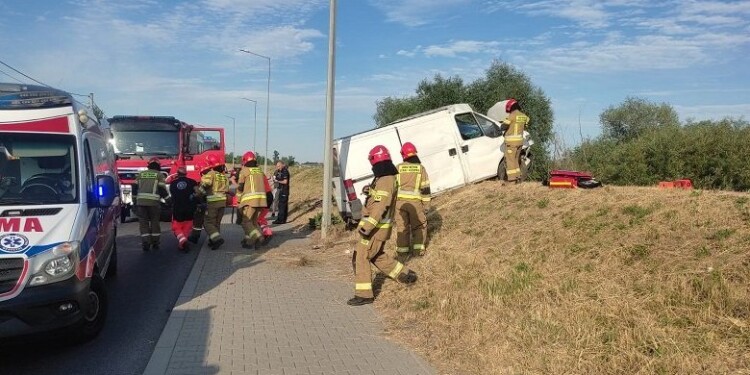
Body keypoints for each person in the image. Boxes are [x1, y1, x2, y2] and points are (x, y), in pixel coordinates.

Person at [348, 145, 417, 306]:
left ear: (375, 161)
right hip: (377, 228)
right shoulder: (385, 178)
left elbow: (381, 206)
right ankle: (405, 275)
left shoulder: (386, 179)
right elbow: (379, 199)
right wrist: (370, 192)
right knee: (376, 256)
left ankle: (364, 295)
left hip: (375, 229)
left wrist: (368, 227)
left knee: (361, 256)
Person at [394, 142, 431, 262]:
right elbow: (425, 188)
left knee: (402, 228)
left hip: (399, 204)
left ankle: (402, 255)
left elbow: (392, 187)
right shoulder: (420, 168)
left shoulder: (397, 167)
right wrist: (426, 206)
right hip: (415, 204)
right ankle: (418, 253)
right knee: (419, 226)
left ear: (403, 154)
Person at [134, 157, 168, 251]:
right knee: (154, 222)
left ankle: (146, 241)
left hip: (140, 203)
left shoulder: (141, 174)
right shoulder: (159, 175)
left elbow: (134, 188)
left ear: (148, 166)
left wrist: (134, 202)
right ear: (158, 166)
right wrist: (168, 200)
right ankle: (155, 242)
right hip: (154, 203)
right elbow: (162, 190)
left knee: (143, 222)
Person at [237, 151, 267, 249]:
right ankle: (250, 241)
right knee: (254, 222)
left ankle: (258, 237)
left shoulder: (245, 171)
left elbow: (240, 187)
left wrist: (238, 199)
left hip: (250, 201)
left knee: (245, 222)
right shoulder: (260, 171)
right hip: (261, 200)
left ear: (245, 161)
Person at [198, 155, 229, 250]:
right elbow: (227, 189)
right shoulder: (224, 177)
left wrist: (198, 193)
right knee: (216, 223)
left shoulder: (211, 174)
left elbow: (205, 184)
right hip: (222, 203)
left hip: (212, 203)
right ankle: (213, 240)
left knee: (207, 223)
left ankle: (217, 239)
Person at [168, 166, 197, 252]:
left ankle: (183, 241)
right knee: (187, 226)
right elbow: (198, 193)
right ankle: (182, 244)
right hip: (190, 208)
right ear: (186, 173)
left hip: (177, 208)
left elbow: (172, 194)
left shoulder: (173, 183)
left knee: (176, 227)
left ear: (178, 174)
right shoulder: (192, 182)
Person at [502, 98, 530, 183]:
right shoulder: (523, 116)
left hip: (511, 143)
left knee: (510, 160)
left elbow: (503, 126)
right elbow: (527, 122)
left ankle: (511, 179)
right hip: (520, 142)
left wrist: (502, 124)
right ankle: (518, 176)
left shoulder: (512, 115)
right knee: (515, 160)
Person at [188, 162, 208, 243]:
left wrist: (193, 195)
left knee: (198, 221)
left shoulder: (205, 180)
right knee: (212, 222)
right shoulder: (216, 176)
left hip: (205, 203)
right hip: (215, 202)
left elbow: (200, 193)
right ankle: (213, 238)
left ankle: (195, 237)